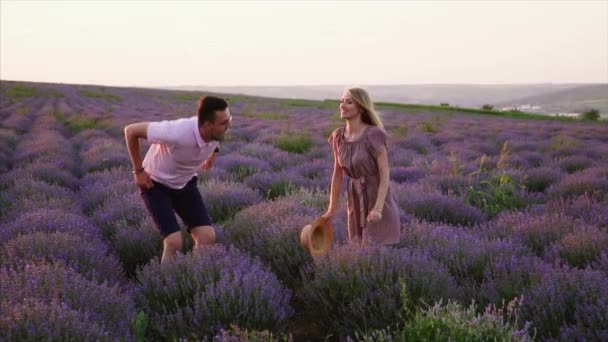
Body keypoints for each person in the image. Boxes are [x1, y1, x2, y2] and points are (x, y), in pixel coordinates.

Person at [124, 95, 231, 263]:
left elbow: (217, 140)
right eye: (224, 123)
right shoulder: (177, 131)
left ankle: (196, 280)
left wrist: (212, 156)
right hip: (155, 184)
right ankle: (164, 285)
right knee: (174, 242)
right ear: (208, 125)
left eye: (229, 120)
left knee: (207, 237)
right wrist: (138, 171)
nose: (229, 126)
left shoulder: (216, 131)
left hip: (185, 183)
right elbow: (131, 131)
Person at [322, 87, 400, 245]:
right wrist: (331, 210)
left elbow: (384, 174)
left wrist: (378, 208)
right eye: (341, 101)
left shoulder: (374, 135)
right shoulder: (338, 137)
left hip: (378, 202)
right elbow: (337, 175)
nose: (342, 105)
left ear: (361, 107)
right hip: (355, 201)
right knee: (360, 252)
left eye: (349, 102)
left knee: (377, 254)